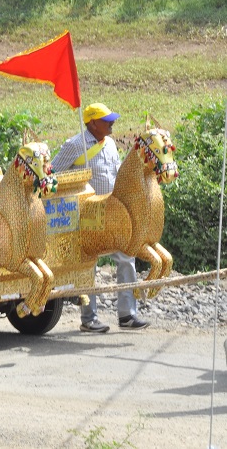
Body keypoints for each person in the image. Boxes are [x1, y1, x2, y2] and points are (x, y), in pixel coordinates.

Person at [51, 102, 149, 332]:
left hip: (111, 214)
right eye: (107, 120)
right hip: (86, 216)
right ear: (93, 123)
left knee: (126, 256)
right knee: (88, 265)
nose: (112, 123)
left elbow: (116, 174)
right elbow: (52, 174)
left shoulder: (111, 144)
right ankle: (89, 319)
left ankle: (127, 315)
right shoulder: (74, 145)